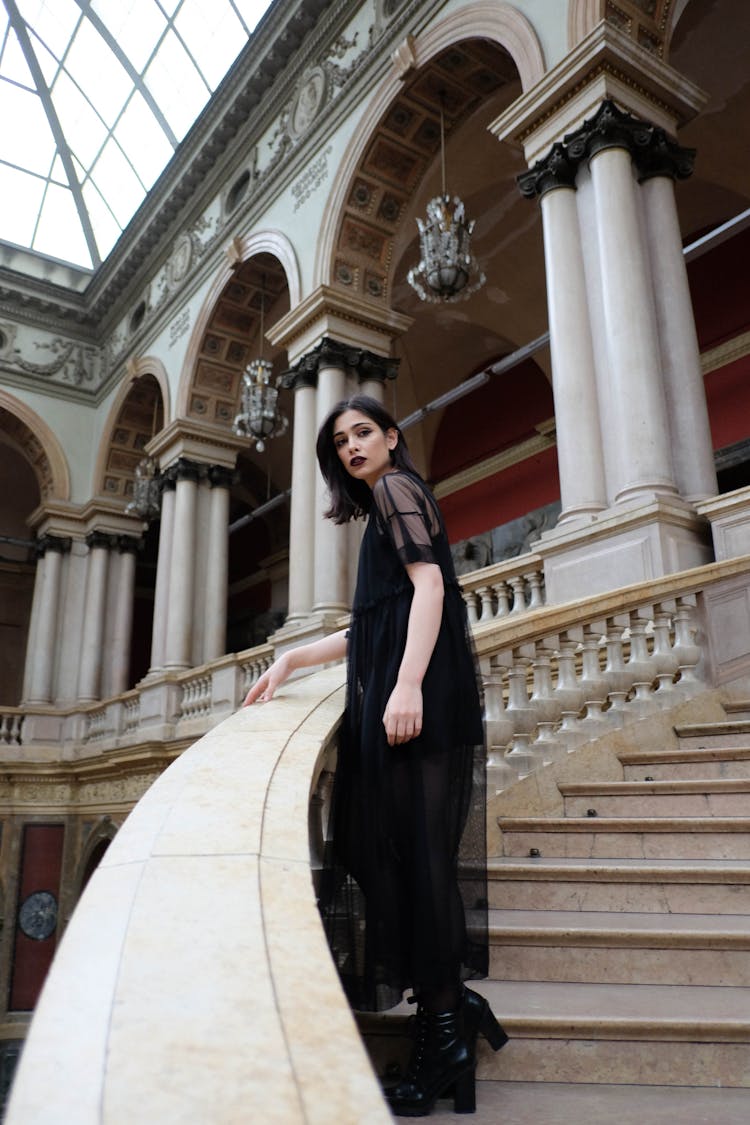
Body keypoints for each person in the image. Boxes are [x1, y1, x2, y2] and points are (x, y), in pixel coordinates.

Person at [244, 395, 506, 1116]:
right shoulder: (384, 508)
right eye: (341, 440)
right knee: (384, 849)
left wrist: (408, 683)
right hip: (400, 684)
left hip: (415, 694)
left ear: (392, 438)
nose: (354, 445)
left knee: (419, 862)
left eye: (365, 432)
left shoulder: (395, 488)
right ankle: (448, 1009)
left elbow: (431, 587)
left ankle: (446, 1024)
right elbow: (376, 620)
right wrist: (295, 658)